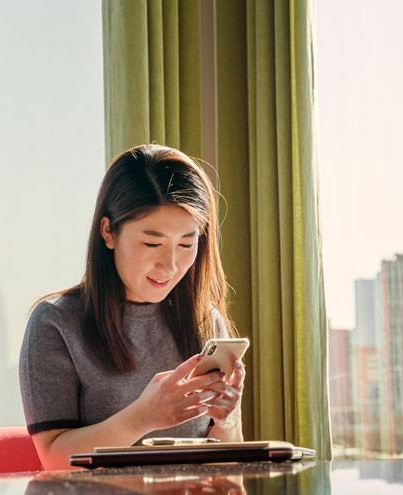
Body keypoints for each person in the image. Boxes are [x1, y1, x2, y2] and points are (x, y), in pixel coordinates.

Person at [19, 144, 246, 470]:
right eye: (152, 243)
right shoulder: (56, 322)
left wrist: (227, 420)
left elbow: (224, 466)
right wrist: (141, 419)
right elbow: (54, 458)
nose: (170, 265)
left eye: (186, 243)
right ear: (108, 232)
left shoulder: (203, 321)